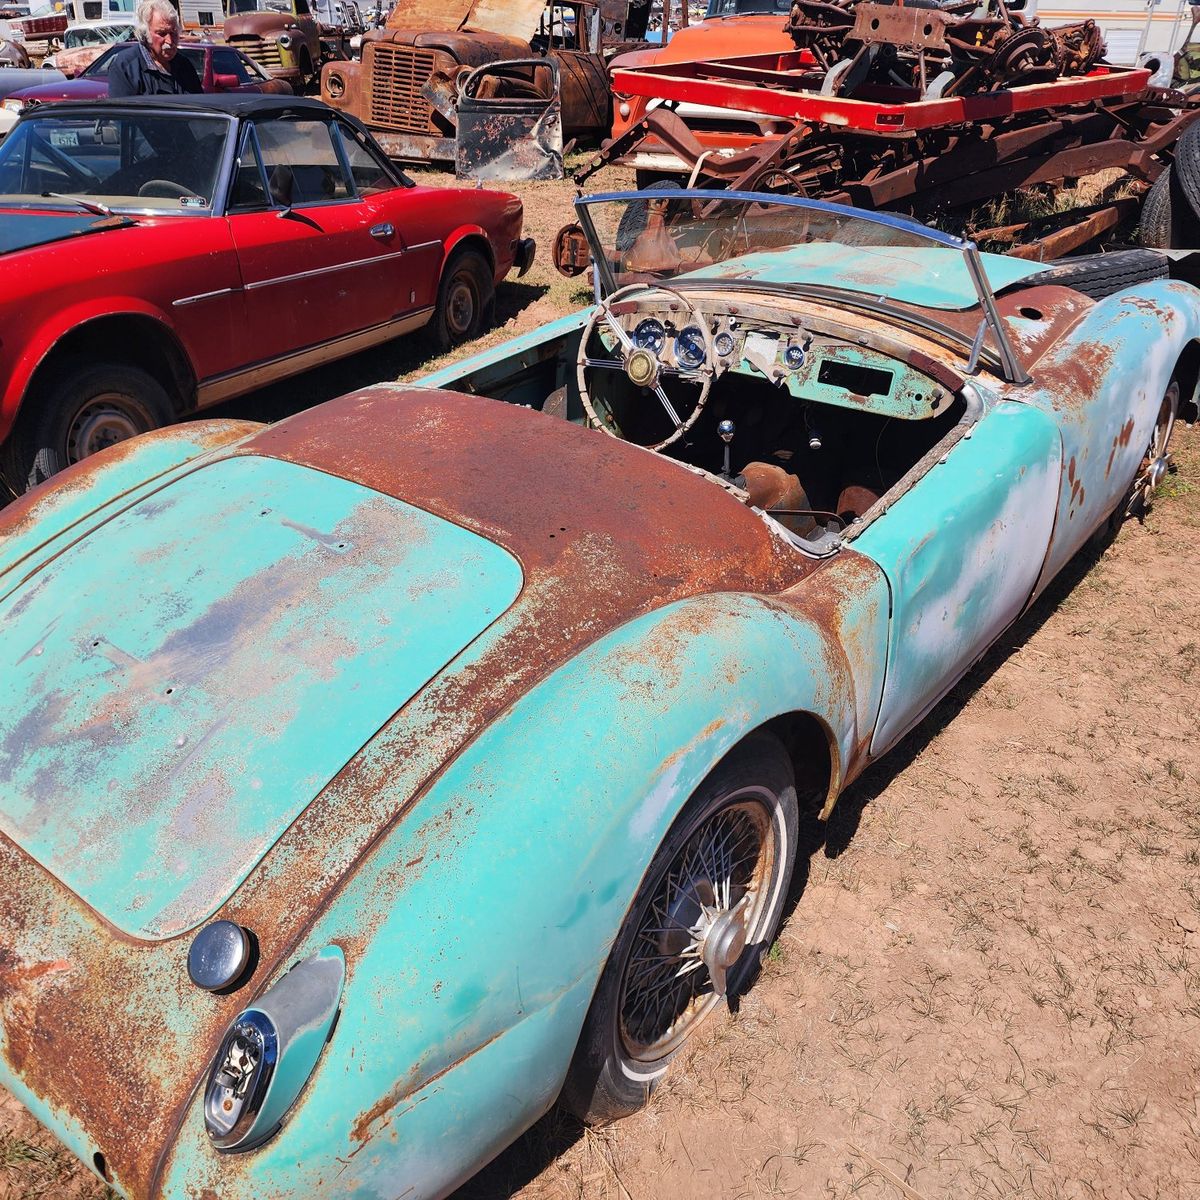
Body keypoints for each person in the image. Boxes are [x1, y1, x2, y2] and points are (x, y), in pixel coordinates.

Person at [108, 0, 202, 97]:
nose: (169, 41)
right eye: (161, 33)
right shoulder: (125, 66)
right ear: (145, 34)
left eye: (173, 32)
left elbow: (198, 102)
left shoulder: (184, 66)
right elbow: (121, 106)